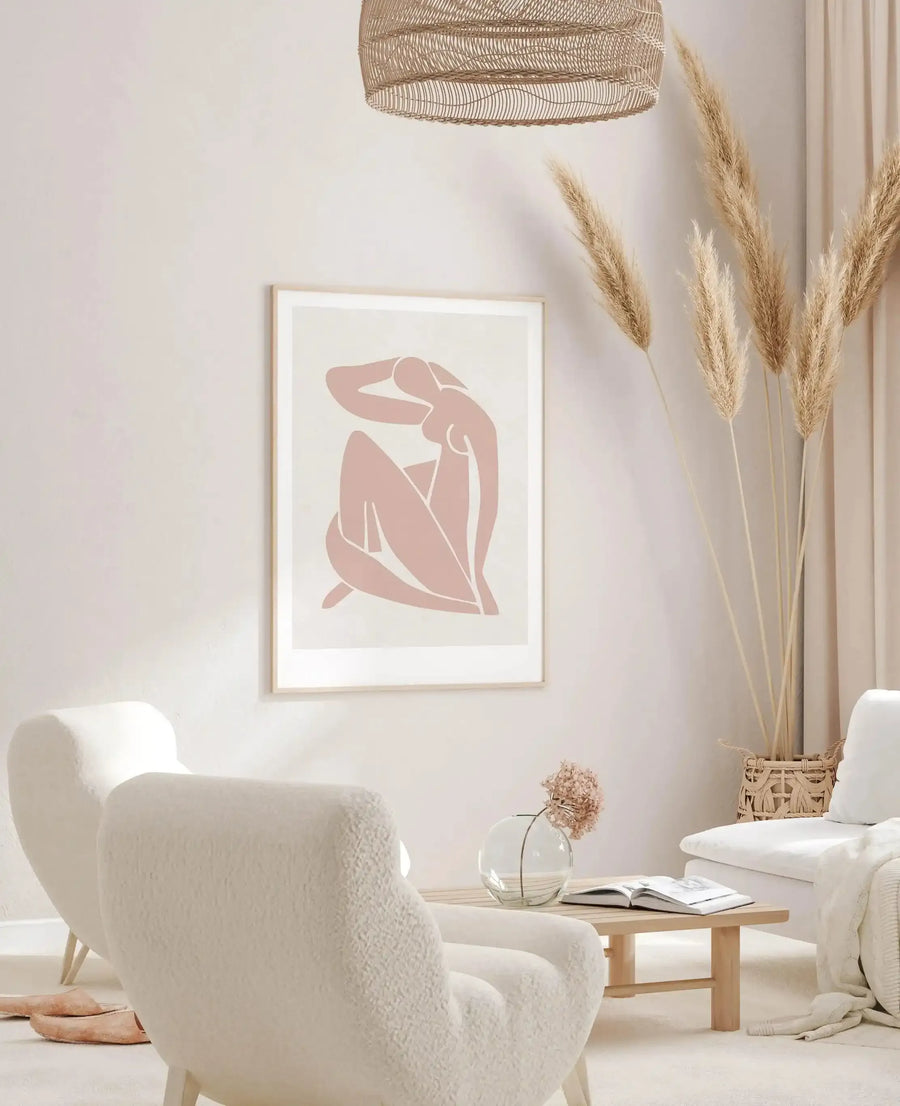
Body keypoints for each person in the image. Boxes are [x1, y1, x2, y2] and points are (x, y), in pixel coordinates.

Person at [322, 356, 500, 616]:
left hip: (445, 555)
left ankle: (362, 563)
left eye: (411, 384)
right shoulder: (436, 406)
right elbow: (342, 386)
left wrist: (477, 574)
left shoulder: (466, 417)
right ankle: (363, 561)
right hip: (433, 528)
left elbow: (488, 498)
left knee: (360, 449)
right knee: (361, 451)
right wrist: (392, 365)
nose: (411, 393)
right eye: (405, 386)